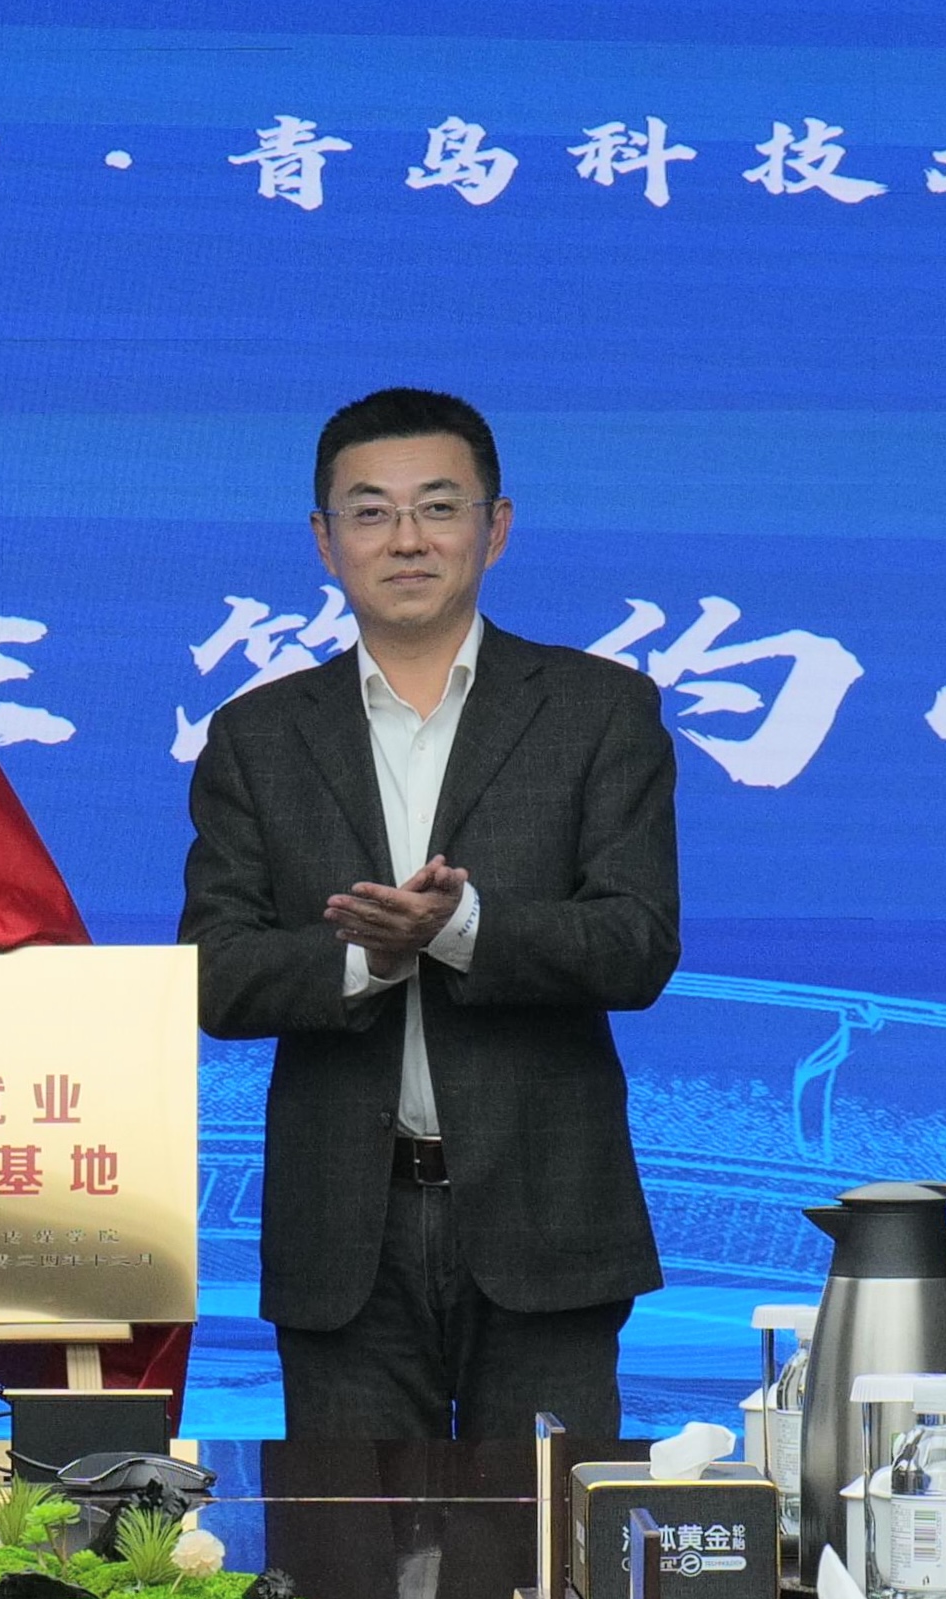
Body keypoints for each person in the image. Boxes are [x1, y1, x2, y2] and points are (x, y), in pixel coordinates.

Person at [178, 387, 679, 1439]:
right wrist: (370, 957)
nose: (406, 539)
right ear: (325, 541)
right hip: (341, 1239)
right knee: (347, 1540)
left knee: (550, 1536)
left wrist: (459, 930)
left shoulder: (597, 711)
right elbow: (212, 972)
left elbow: (635, 943)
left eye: (439, 507)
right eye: (370, 512)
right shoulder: (257, 737)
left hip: (548, 1222)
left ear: (495, 527)